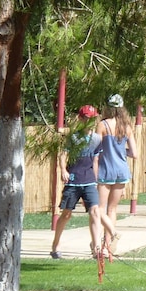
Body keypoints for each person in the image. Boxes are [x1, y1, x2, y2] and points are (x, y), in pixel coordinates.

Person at [51, 105, 103, 259]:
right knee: (66, 214)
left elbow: (96, 160)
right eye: (86, 118)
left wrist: (96, 180)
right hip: (74, 180)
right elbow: (63, 154)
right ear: (80, 119)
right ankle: (56, 244)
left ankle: (97, 248)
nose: (89, 121)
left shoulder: (97, 139)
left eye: (92, 119)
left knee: (95, 211)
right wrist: (63, 170)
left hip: (89, 180)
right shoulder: (73, 137)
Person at [94, 93, 138, 256]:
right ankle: (108, 245)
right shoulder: (127, 128)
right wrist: (121, 150)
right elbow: (134, 153)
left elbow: (95, 150)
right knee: (112, 209)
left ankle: (101, 243)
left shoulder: (102, 125)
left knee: (99, 209)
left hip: (106, 170)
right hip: (121, 171)